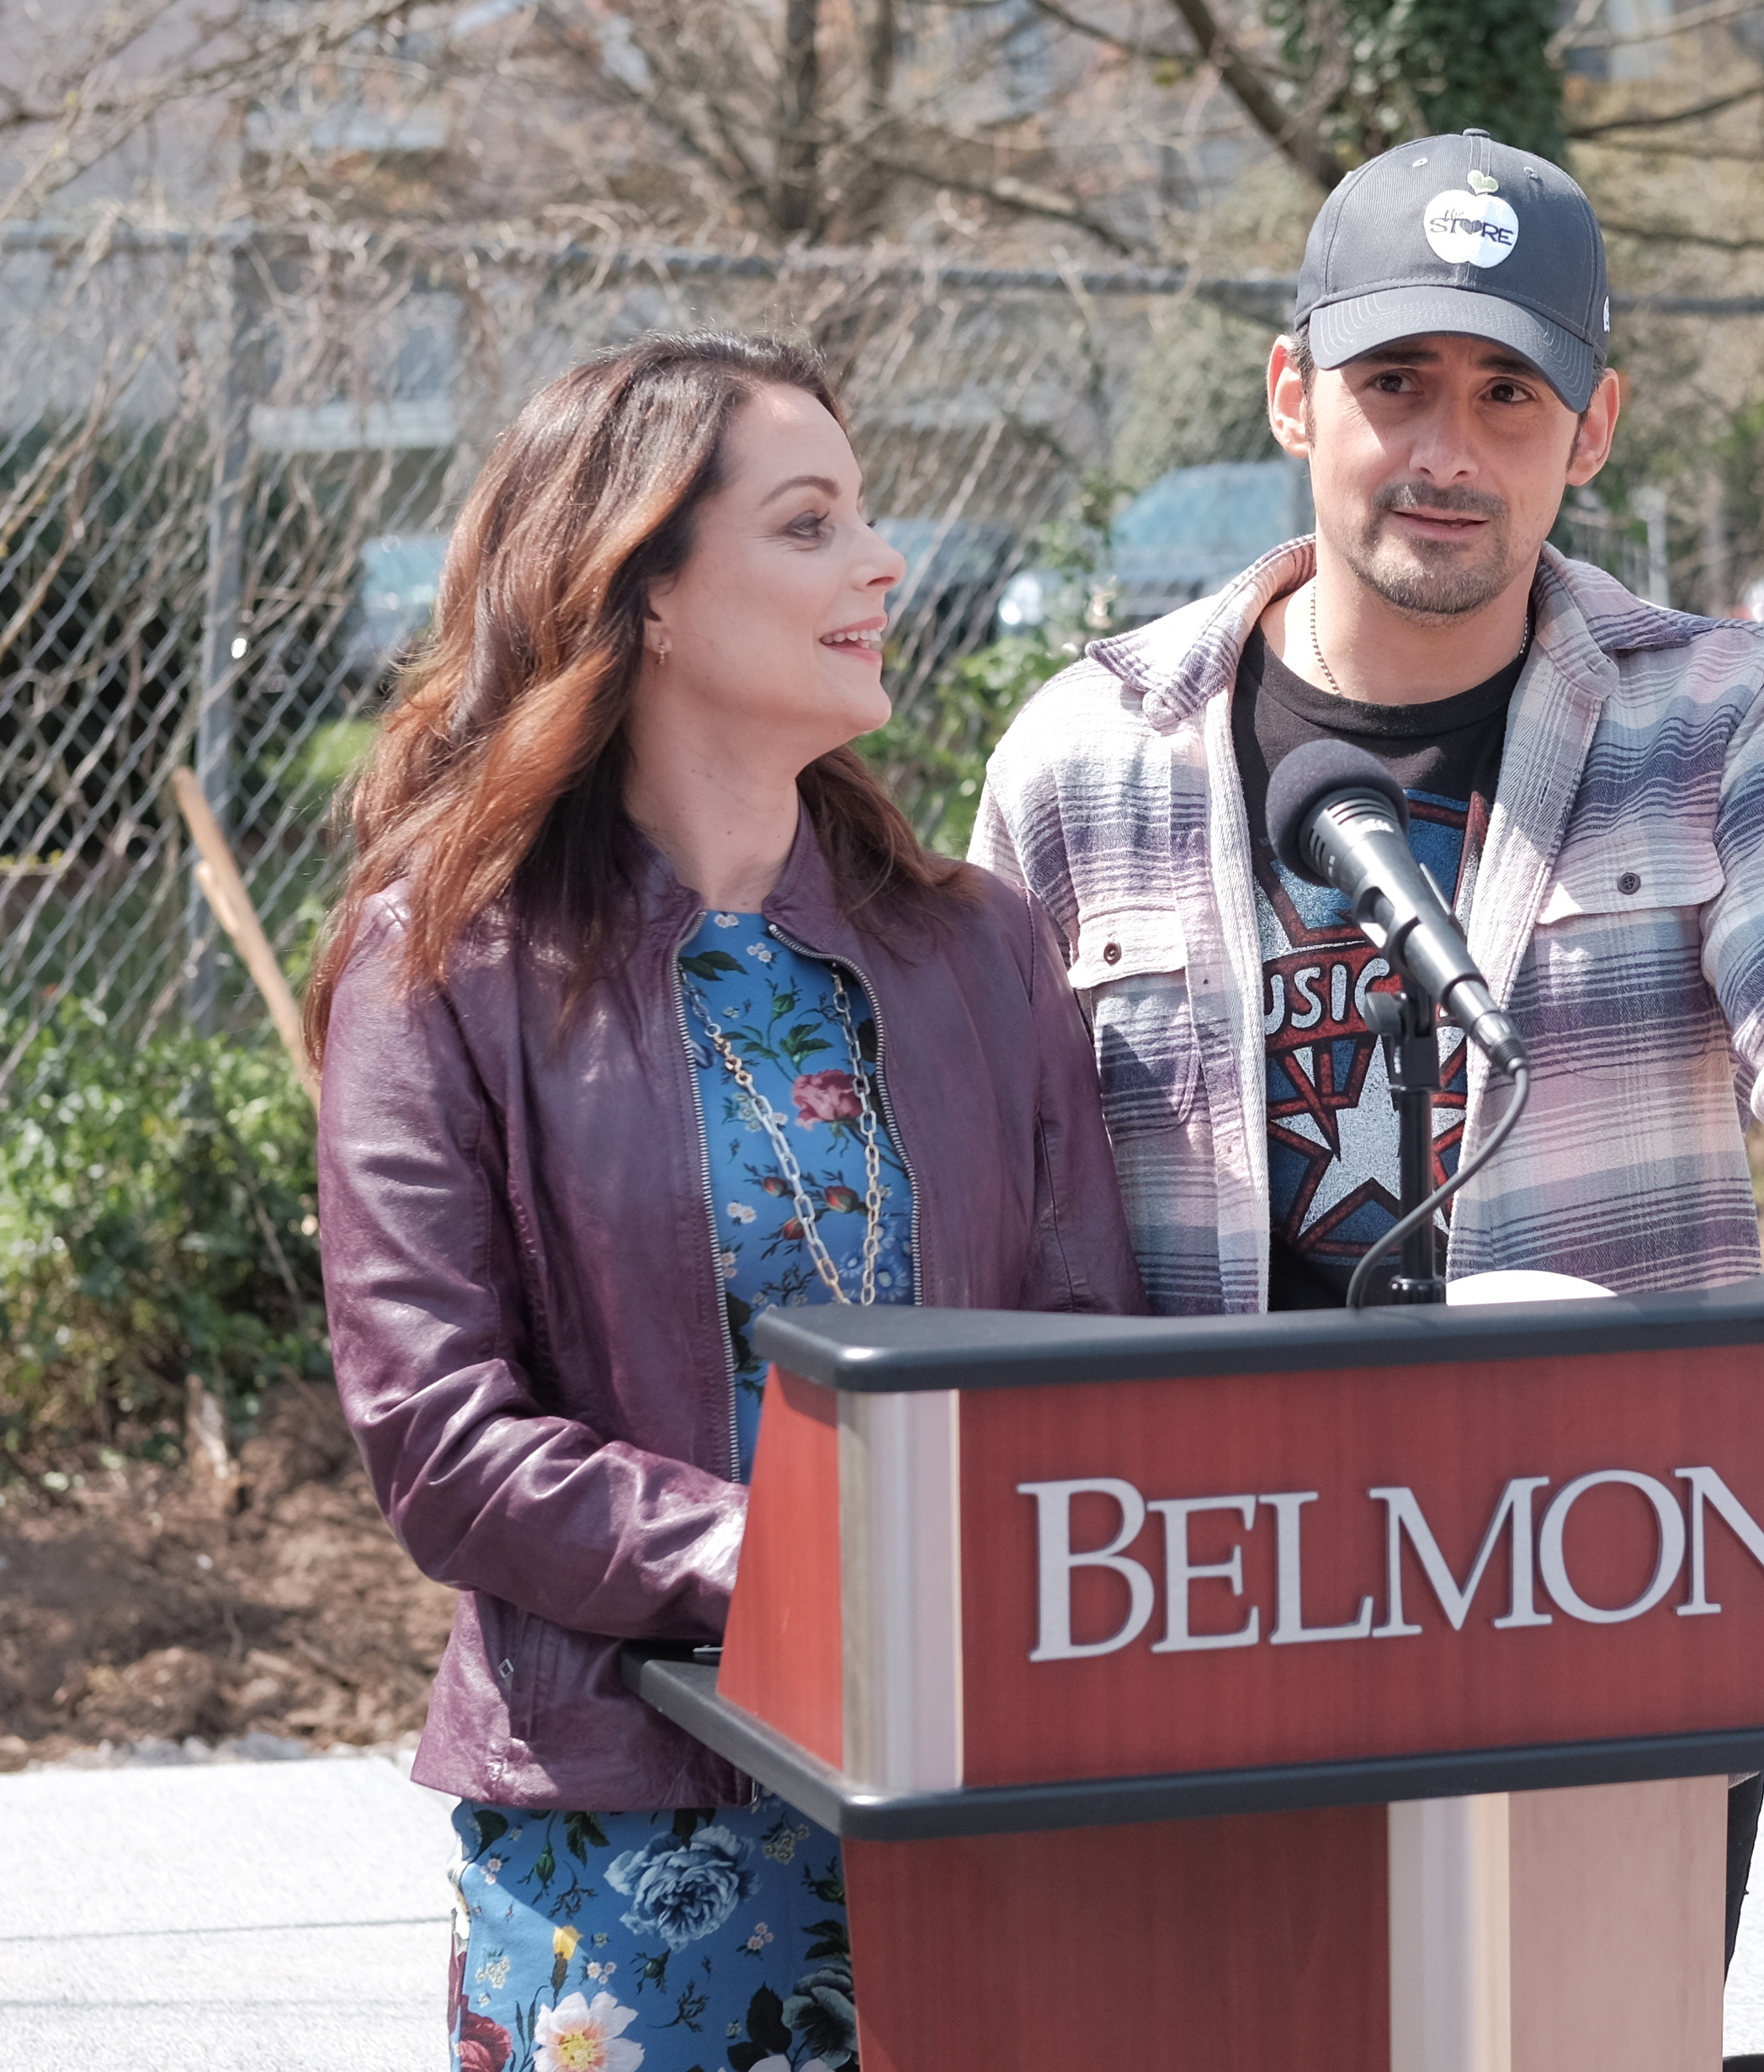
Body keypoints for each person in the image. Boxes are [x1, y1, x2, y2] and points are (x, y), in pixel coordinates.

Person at [970, 130, 1764, 1960]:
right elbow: (981, 1174)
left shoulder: (1724, 714)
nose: (1444, 449)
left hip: (1599, 1570)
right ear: (1290, 394)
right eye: (1394, 383)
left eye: (1509, 396)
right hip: (1189, 1590)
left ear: (1590, 433)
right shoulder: (1083, 752)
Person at [308, 332, 1146, 2072]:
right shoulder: (442, 966)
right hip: (631, 1827)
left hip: (970, 1785)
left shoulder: (982, 949)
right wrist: (796, 1566)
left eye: (863, 515)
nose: (882, 561)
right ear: (648, 593)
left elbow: (1086, 1359)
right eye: (810, 522)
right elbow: (442, 1442)